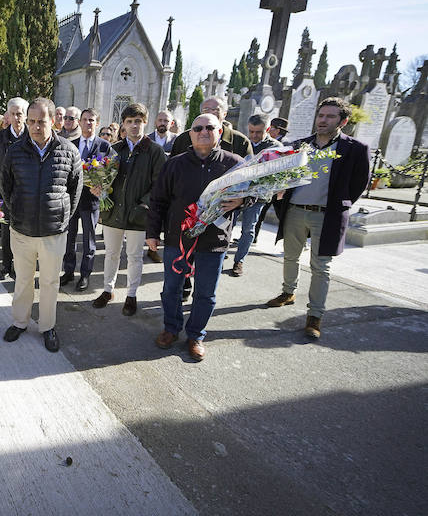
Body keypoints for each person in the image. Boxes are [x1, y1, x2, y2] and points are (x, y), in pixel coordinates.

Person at [266, 97, 370, 339]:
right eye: (321, 115)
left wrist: (338, 205)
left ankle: (315, 315)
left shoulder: (355, 149)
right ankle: (288, 292)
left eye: (330, 116)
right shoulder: (301, 145)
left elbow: (358, 184)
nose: (323, 120)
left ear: (342, 121)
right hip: (295, 211)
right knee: (290, 256)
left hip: (327, 215)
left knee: (321, 267)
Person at [146, 113, 246, 361]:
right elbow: (158, 200)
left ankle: (196, 335)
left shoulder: (234, 164)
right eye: (197, 128)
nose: (203, 131)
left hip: (214, 240)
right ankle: (171, 328)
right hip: (177, 238)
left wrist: (244, 200)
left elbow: (253, 193)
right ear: (190, 134)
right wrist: (152, 234)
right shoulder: (175, 164)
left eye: (209, 127)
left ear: (219, 131)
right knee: (171, 288)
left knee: (206, 292)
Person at [0, 97, 82, 352]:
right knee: (23, 280)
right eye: (31, 121)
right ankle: (20, 322)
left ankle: (47, 326)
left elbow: (75, 190)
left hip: (53, 233)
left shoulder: (69, 151)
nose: (35, 126)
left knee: (49, 282)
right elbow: (5, 186)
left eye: (41, 121)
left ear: (53, 121)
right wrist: (16, 216)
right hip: (21, 231)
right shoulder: (14, 151)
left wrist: (62, 220)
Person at [94, 102, 165, 315]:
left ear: (145, 123)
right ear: (123, 125)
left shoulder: (154, 151)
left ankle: (131, 294)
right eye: (129, 122)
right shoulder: (115, 149)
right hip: (113, 211)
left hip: (138, 213)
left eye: (138, 121)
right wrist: (99, 188)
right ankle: (108, 290)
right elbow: (105, 177)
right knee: (111, 254)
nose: (134, 126)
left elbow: (159, 184)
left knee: (134, 257)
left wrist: (144, 204)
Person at [61, 108, 111, 292]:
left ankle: (85, 275)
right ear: (79, 122)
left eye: (92, 120)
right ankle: (68, 271)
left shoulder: (104, 146)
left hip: (91, 201)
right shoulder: (70, 144)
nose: (88, 123)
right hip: (72, 200)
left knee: (89, 241)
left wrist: (103, 186)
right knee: (70, 238)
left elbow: (110, 172)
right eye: (85, 119)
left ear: (97, 123)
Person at [229, 114, 284, 276]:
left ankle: (239, 261)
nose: (254, 136)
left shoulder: (275, 147)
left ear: (267, 129)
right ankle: (221, 251)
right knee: (228, 224)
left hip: (258, 196)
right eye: (251, 131)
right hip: (237, 192)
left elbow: (279, 172)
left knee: (248, 229)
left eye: (258, 132)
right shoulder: (242, 143)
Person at [0, 97, 28, 280]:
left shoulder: (31, 135)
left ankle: (23, 266)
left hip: (28, 192)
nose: (16, 117)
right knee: (6, 230)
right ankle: (6, 265)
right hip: (6, 191)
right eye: (13, 114)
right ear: (8, 116)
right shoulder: (0, 137)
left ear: (25, 115)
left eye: (20, 113)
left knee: (25, 231)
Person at [170, 97, 253, 158]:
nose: (210, 113)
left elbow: (248, 172)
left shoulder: (240, 141)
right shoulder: (184, 139)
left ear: (224, 114)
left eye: (216, 110)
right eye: (206, 109)